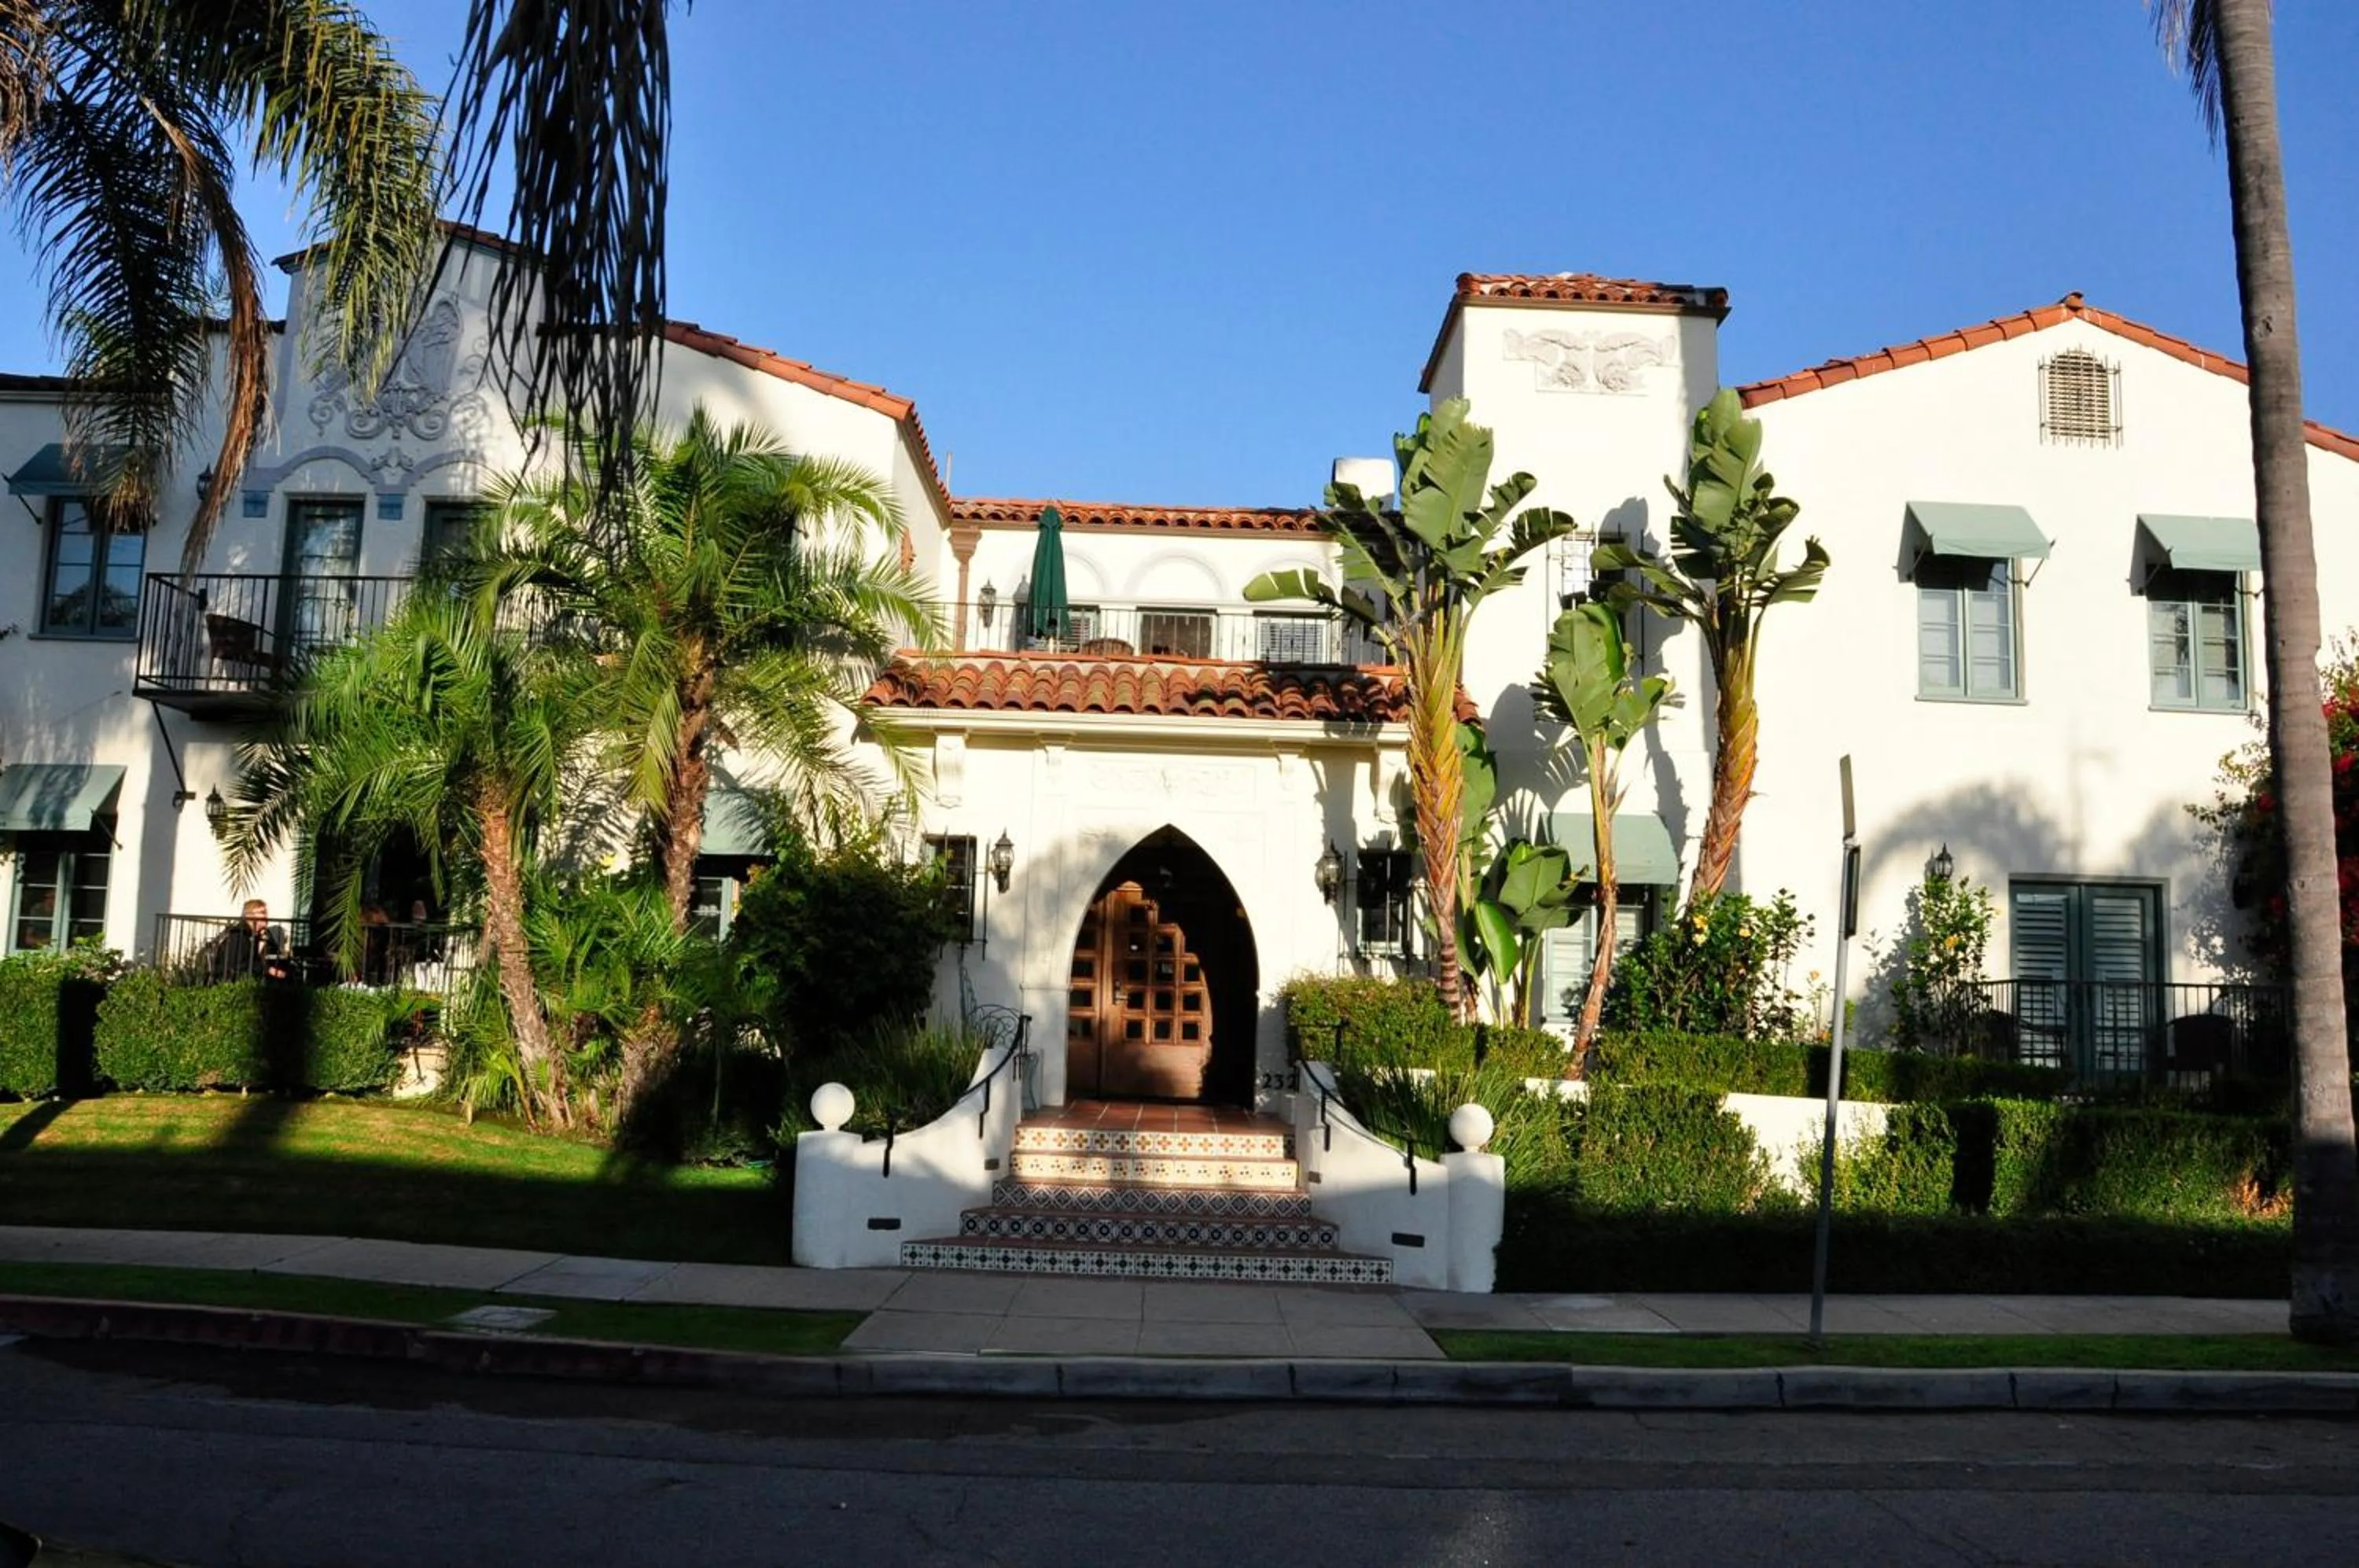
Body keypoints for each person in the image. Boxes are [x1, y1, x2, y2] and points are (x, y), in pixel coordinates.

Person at [208, 899, 290, 981]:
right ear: (248, 916)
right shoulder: (239, 934)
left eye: (266, 913)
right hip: (230, 981)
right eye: (262, 913)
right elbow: (239, 965)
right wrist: (268, 970)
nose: (266, 917)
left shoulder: (253, 934)